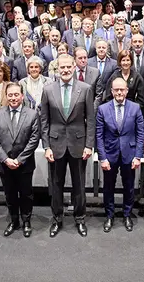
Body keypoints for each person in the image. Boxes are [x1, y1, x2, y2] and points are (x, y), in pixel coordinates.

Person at [40, 54, 96, 237]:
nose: (65, 70)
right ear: (57, 69)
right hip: (55, 145)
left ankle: (80, 219)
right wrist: (46, 146)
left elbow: (91, 120)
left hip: (78, 144)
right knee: (56, 184)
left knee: (79, 185)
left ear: (74, 67)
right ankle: (57, 219)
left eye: (68, 67)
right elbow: (44, 121)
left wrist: (89, 145)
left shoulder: (85, 89)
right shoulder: (48, 90)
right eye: (61, 67)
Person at [0, 82, 41, 237]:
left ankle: (26, 221)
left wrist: (19, 160)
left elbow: (34, 140)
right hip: (5, 164)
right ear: (6, 96)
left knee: (26, 194)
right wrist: (6, 159)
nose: (13, 98)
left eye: (16, 94)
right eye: (10, 95)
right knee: (10, 195)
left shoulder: (32, 114)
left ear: (22, 96)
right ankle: (13, 221)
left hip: (24, 164)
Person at [96, 77, 144, 233]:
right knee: (108, 187)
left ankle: (127, 214)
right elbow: (99, 135)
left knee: (129, 187)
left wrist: (138, 156)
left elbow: (140, 134)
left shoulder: (135, 108)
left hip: (129, 155)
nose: (119, 92)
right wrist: (102, 157)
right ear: (111, 91)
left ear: (127, 91)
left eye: (122, 89)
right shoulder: (103, 109)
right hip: (109, 155)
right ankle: (109, 216)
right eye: (116, 90)